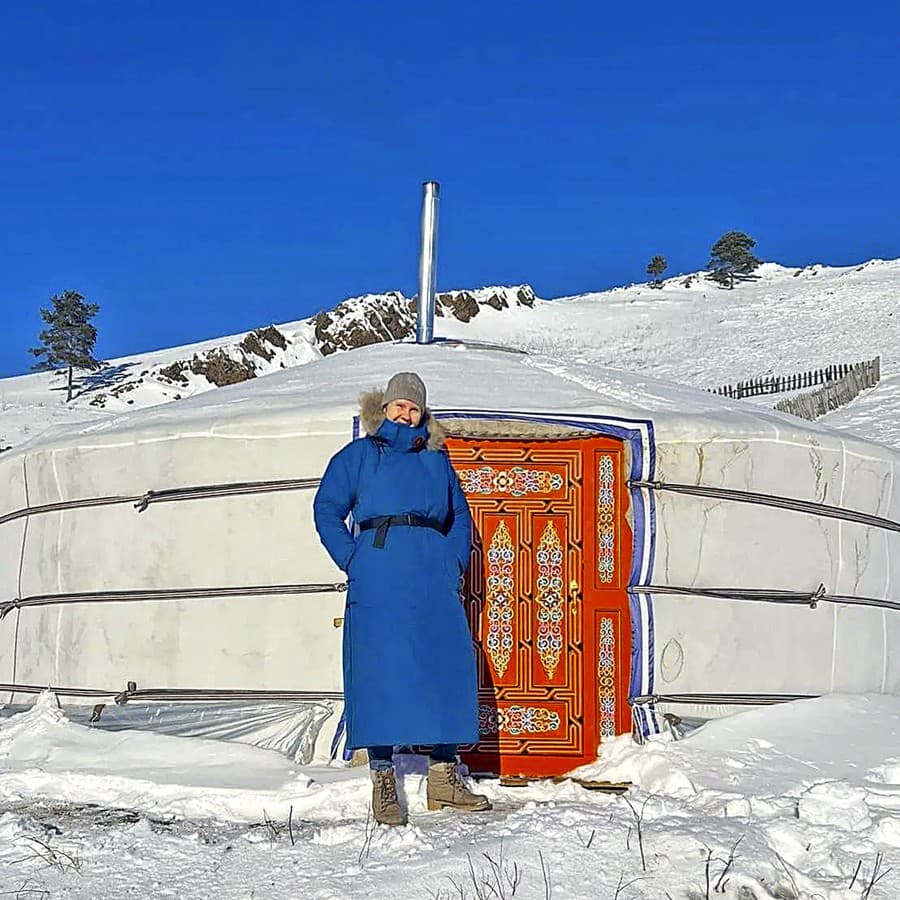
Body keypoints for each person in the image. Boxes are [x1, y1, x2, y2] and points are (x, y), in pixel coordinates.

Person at [313, 372, 491, 826]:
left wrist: (451, 561)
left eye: (414, 408)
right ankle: (383, 780)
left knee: (445, 668)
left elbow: (460, 519)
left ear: (422, 414)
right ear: (384, 408)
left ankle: (443, 779)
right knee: (380, 671)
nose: (405, 414)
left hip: (432, 576)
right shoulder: (360, 456)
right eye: (399, 406)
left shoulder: (437, 461)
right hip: (379, 574)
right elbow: (327, 508)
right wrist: (353, 559)